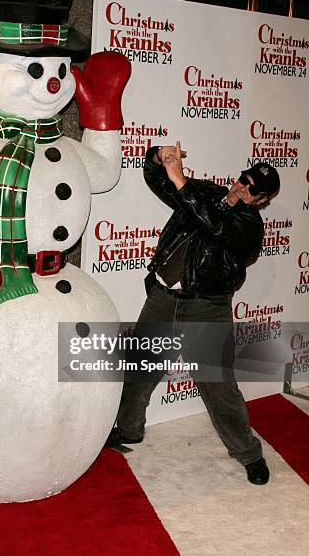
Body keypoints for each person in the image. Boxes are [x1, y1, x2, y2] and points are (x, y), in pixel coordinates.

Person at [107, 141, 280, 485]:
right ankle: (128, 429)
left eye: (252, 189)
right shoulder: (205, 192)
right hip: (163, 296)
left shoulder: (250, 226)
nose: (242, 187)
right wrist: (161, 157)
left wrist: (182, 181)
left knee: (218, 386)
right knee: (140, 368)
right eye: (244, 179)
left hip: (206, 307)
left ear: (261, 201)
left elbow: (214, 225)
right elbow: (158, 179)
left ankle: (249, 454)